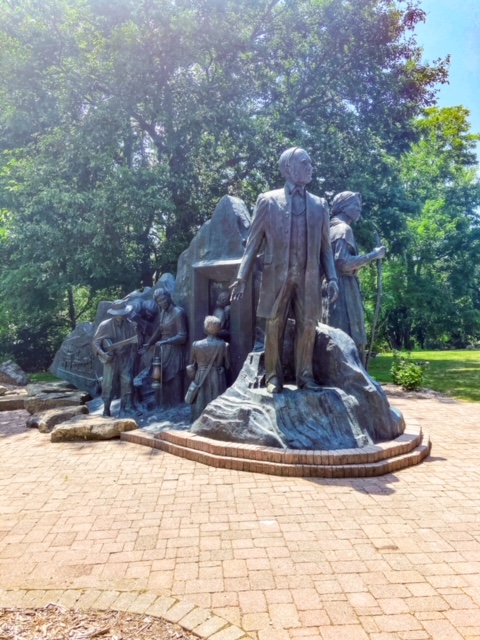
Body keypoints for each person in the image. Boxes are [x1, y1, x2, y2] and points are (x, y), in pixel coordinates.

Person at [230, 147, 339, 393]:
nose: (311, 168)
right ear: (289, 168)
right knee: (274, 323)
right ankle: (273, 377)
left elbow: (325, 248)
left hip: (308, 275)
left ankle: (305, 377)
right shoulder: (268, 201)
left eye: (310, 163)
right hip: (276, 275)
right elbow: (253, 243)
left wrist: (332, 277)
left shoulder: (320, 205)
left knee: (308, 324)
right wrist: (241, 277)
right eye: (305, 163)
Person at [322, 191, 386, 365]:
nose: (359, 210)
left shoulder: (328, 229)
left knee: (334, 334)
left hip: (330, 288)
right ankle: (352, 374)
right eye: (355, 205)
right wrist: (373, 255)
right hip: (343, 289)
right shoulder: (343, 230)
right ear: (343, 207)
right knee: (349, 335)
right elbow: (343, 263)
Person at [138, 288, 188, 406]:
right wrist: (149, 344)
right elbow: (159, 330)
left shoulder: (178, 313)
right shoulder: (163, 313)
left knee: (174, 377)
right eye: (159, 301)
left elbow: (183, 336)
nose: (162, 303)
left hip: (175, 350)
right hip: (163, 350)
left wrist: (167, 341)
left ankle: (176, 404)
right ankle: (165, 404)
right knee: (162, 377)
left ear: (169, 297)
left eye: (163, 299)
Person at [91, 305, 138, 417]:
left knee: (127, 382)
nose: (120, 315)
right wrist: (103, 355)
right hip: (111, 360)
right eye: (118, 313)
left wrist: (136, 330)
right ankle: (106, 409)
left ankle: (126, 408)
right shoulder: (105, 325)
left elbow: (135, 342)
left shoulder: (130, 324)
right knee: (108, 384)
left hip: (125, 358)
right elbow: (95, 343)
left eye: (122, 313)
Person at [186, 315, 231, 420]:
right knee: (216, 400)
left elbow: (191, 364)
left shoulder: (196, 345)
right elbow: (228, 365)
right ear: (219, 329)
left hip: (200, 376)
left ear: (205, 328)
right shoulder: (224, 345)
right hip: (217, 377)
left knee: (200, 399)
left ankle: (198, 419)